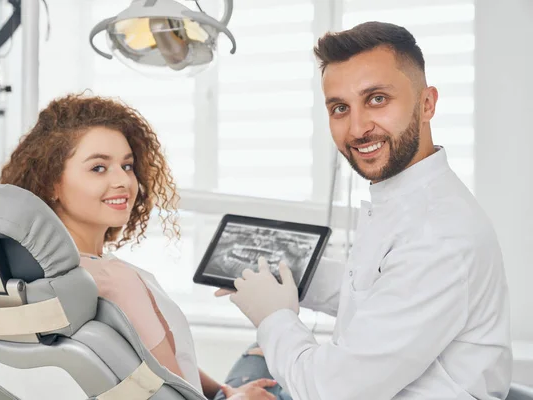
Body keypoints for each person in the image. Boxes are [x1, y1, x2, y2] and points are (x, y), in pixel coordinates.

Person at [216, 21, 512, 400]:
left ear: (427, 104)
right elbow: (383, 295)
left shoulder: (439, 235)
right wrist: (290, 272)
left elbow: (330, 391)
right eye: (340, 108)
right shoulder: (407, 201)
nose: (357, 128)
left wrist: (273, 317)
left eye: (376, 99)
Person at [0, 93, 278, 400]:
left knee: (262, 353)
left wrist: (224, 390)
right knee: (273, 359)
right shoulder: (115, 281)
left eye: (127, 166)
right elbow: (175, 392)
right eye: (99, 168)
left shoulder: (36, 274)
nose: (123, 181)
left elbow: (155, 359)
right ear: (51, 182)